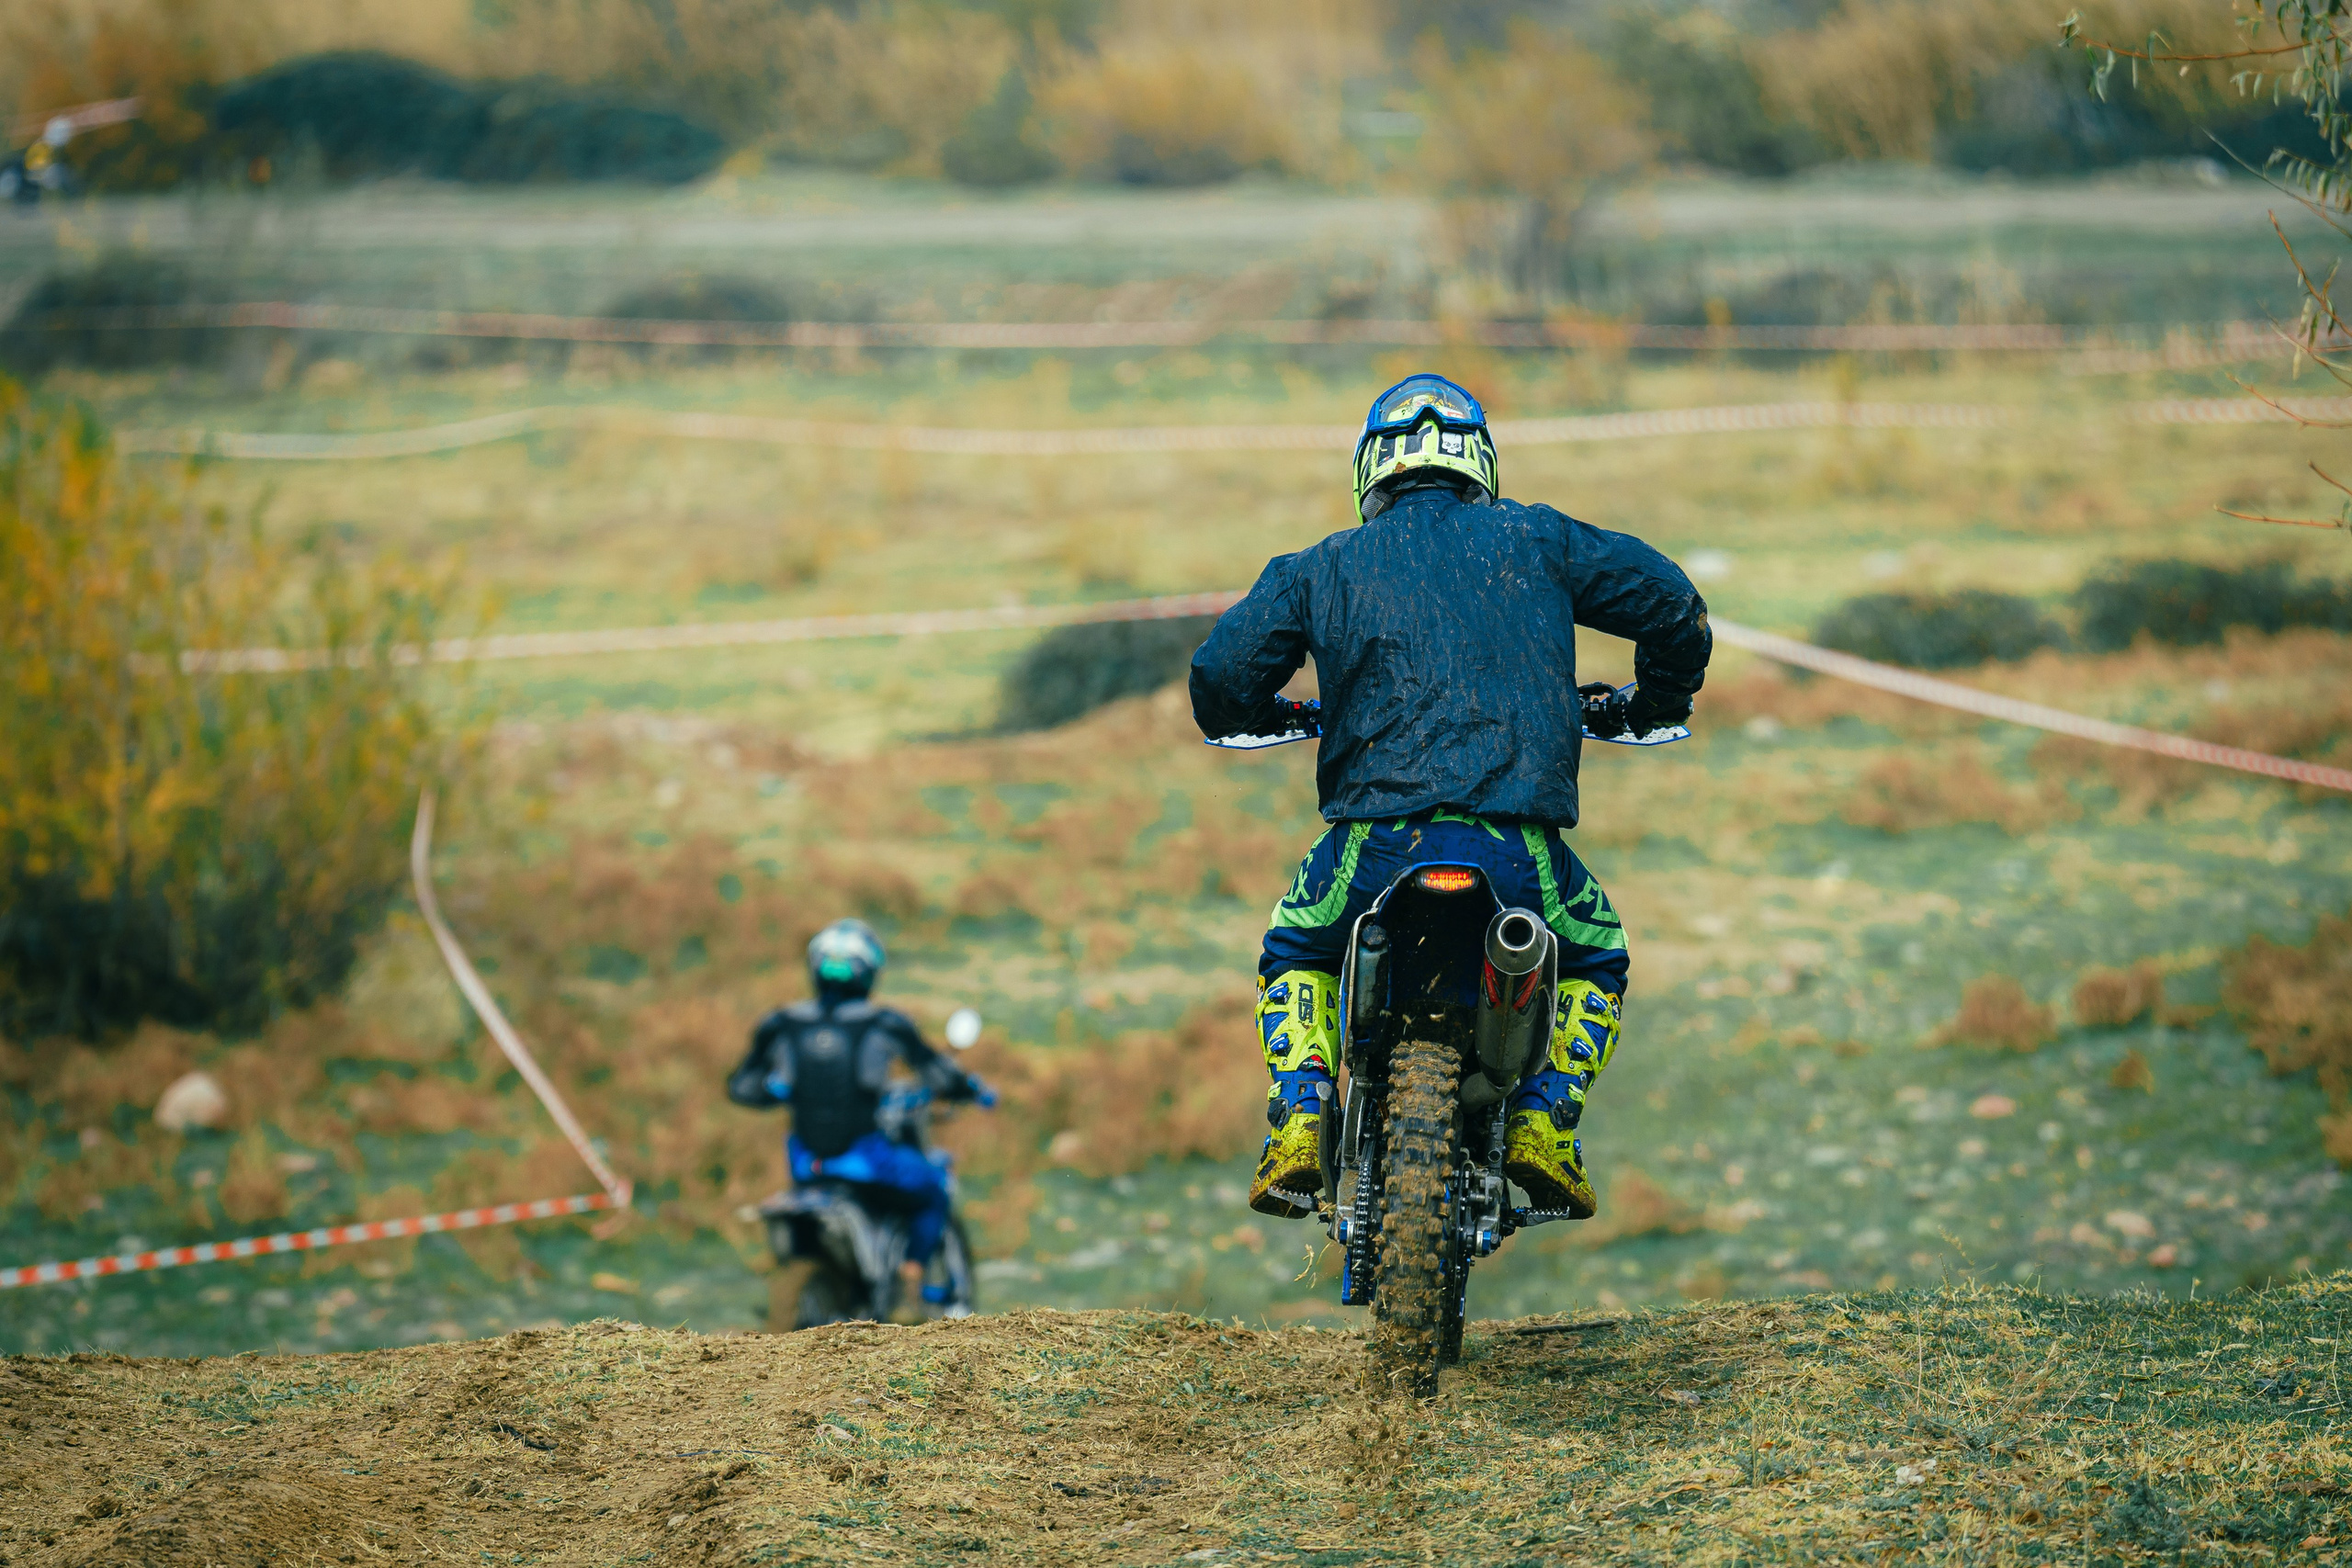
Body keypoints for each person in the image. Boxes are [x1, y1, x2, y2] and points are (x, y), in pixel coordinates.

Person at [1189, 372, 1712, 1222]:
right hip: (1519, 853)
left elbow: (1218, 675)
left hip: (1373, 846)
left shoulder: (1321, 565)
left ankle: (1299, 1112)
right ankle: (1545, 1121)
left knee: (1295, 946)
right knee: (1598, 954)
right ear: (1480, 463)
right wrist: (1652, 705)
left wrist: (1269, 714)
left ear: (1373, 470)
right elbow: (1674, 608)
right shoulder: (1543, 539)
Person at [726, 919, 993, 1293]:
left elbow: (741, 1088)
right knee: (934, 1189)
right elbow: (938, 1074)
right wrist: (970, 1089)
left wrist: (782, 1091)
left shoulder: (781, 1023)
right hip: (867, 1161)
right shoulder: (885, 1023)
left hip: (807, 1164)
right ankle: (912, 1279)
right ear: (870, 973)